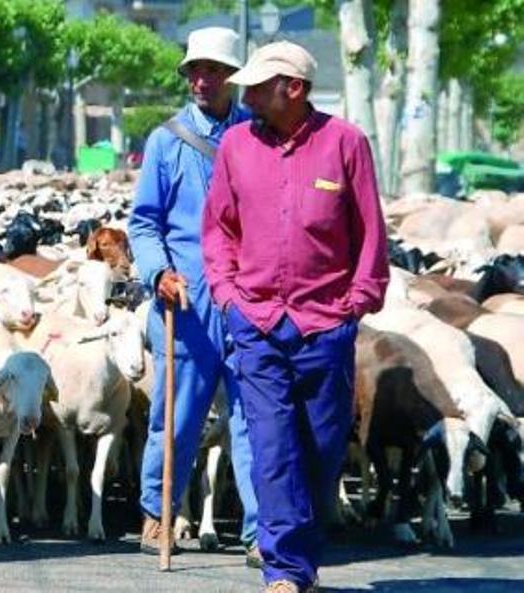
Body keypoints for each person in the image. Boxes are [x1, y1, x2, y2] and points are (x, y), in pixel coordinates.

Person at [202, 41, 389, 593]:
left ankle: (299, 551)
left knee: (323, 447)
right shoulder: (236, 145)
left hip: (325, 323)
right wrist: (226, 294)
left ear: (296, 88)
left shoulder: (346, 143)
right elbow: (218, 228)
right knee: (272, 444)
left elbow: (370, 232)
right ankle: (286, 568)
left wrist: (356, 303)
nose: (248, 93)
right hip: (257, 322)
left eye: (261, 85)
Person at [128, 26, 262, 564]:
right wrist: (158, 271)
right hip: (188, 296)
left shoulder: (258, 133)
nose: (203, 80)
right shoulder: (166, 141)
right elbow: (144, 223)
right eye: (196, 71)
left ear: (232, 77)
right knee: (177, 414)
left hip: (250, 294)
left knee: (255, 414)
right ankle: (157, 510)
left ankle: (260, 530)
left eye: (214, 71)